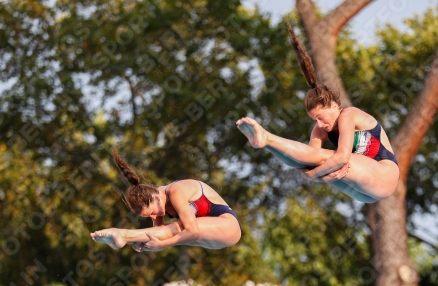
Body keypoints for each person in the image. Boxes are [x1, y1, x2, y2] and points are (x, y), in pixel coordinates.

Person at [236, 22, 399, 203]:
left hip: (385, 177)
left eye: (320, 117)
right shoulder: (320, 130)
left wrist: (312, 176)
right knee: (315, 161)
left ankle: (267, 138)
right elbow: (309, 161)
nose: (319, 124)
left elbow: (342, 157)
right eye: (314, 119)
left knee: (331, 158)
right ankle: (265, 142)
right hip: (362, 193)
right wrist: (313, 174)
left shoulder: (348, 114)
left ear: (334, 106)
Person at [90, 149, 241, 251]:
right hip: (208, 236)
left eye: (152, 212)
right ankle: (123, 238)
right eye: (148, 216)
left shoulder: (175, 191)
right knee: (168, 230)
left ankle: (123, 234)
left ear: (155, 197)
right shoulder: (158, 202)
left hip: (228, 227)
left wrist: (163, 244)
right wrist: (143, 241)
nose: (154, 216)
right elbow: (158, 232)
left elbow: (192, 231)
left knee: (177, 228)